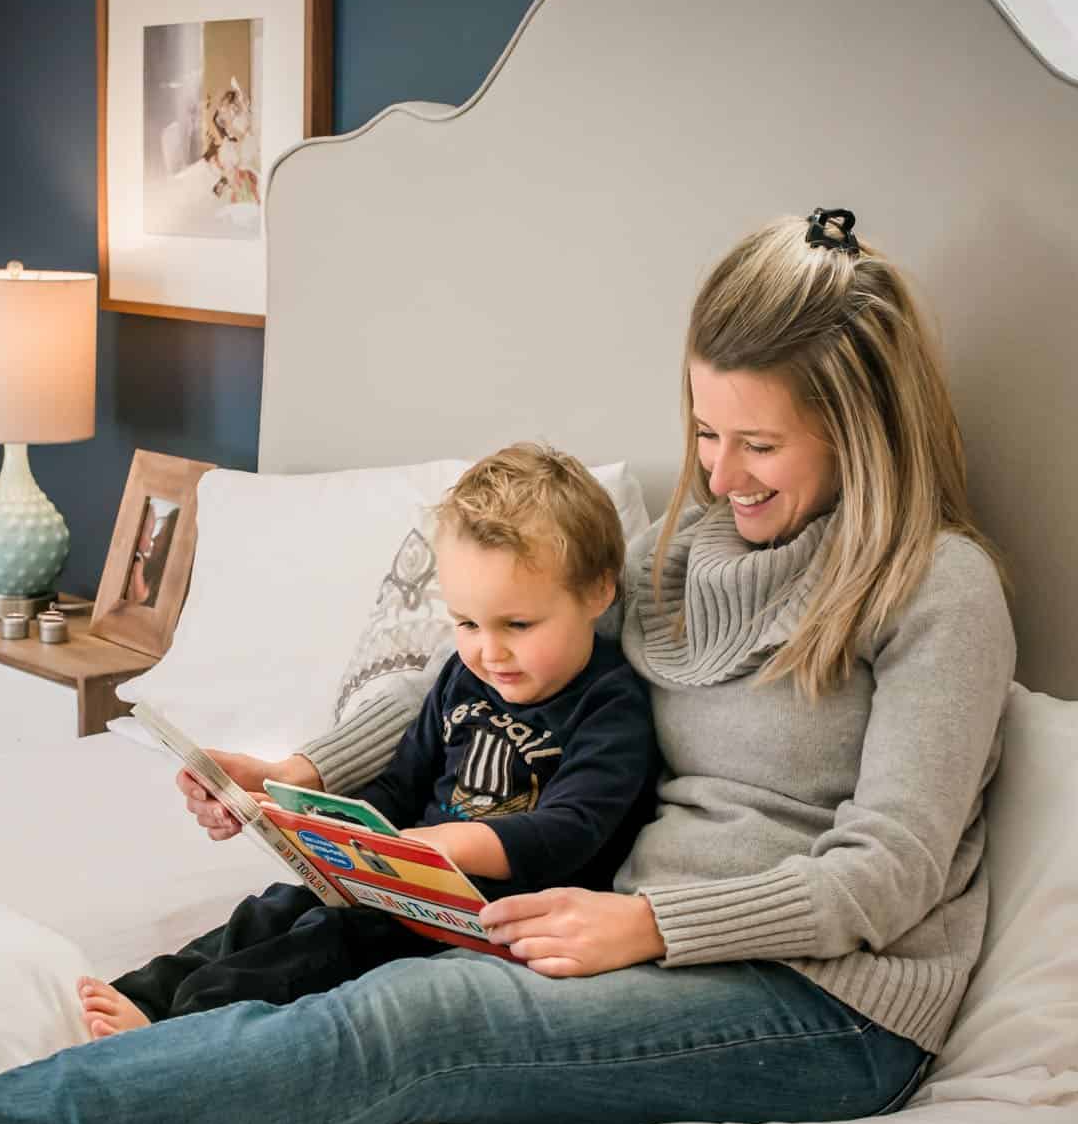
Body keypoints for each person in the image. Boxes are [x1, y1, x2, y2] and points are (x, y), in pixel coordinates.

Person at [0, 207, 1017, 1124]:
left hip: (826, 1006)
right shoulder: (677, 546)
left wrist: (653, 917)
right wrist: (292, 779)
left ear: (863, 421)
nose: (720, 469)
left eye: (759, 441)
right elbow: (469, 679)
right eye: (705, 428)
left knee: (411, 1023)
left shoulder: (939, 588)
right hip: (613, 935)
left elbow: (887, 871)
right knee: (324, 989)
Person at [77, 442, 656, 1035]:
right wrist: (313, 825)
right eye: (466, 623)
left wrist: (439, 846)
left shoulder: (611, 704)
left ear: (597, 592)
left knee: (327, 944)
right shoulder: (462, 678)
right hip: (410, 880)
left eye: (518, 625)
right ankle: (144, 994)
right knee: (279, 906)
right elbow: (403, 784)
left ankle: (177, 1027)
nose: (489, 650)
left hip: (493, 915)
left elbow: (570, 831)